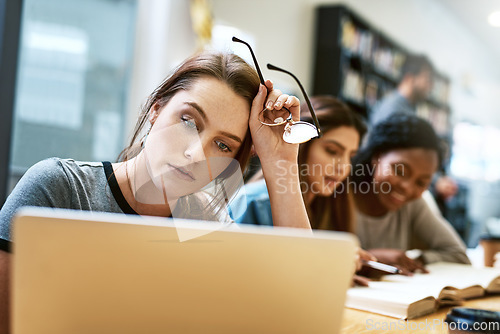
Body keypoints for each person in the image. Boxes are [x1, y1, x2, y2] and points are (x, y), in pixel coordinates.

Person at [0, 51, 312, 333]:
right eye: (189, 121)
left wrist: (279, 159)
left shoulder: (208, 223)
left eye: (222, 145)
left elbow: (301, 304)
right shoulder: (60, 189)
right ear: (156, 109)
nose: (195, 154)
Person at [232, 95, 375, 285]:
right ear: (302, 143)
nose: (343, 167)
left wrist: (333, 272)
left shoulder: (327, 204)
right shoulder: (253, 203)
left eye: (351, 156)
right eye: (332, 151)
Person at [350, 113, 470, 276]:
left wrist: (413, 260)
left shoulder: (414, 204)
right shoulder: (336, 192)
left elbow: (458, 254)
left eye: (421, 182)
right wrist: (370, 259)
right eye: (400, 170)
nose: (407, 187)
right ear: (377, 158)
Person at [370, 53, 459, 211]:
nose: (430, 87)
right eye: (427, 80)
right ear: (410, 77)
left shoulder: (405, 109)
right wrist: (436, 182)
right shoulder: (394, 110)